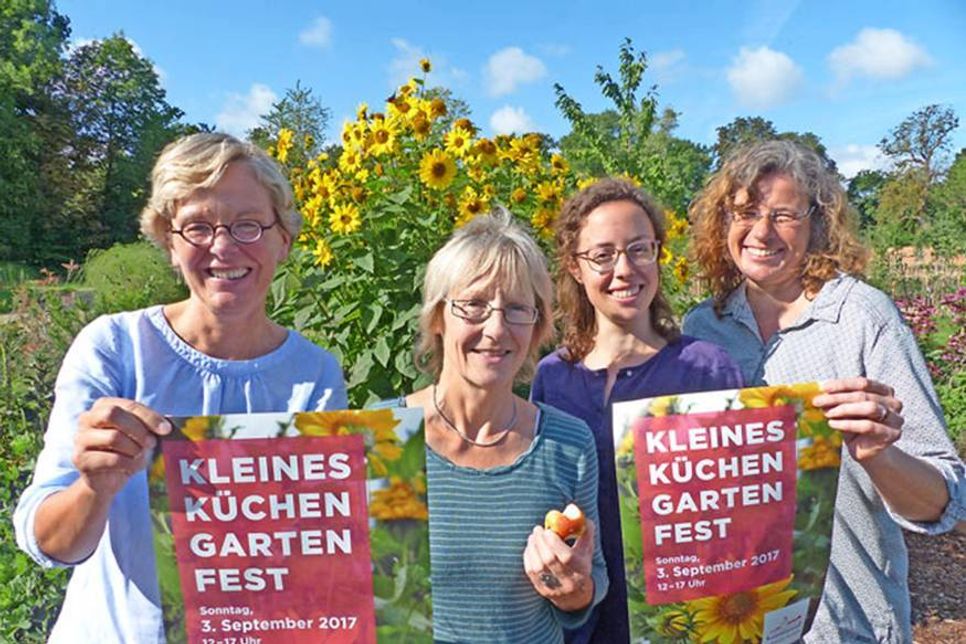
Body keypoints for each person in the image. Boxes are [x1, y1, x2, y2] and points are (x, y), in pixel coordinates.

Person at [14, 132, 348, 643]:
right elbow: (49, 543)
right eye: (197, 227)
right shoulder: (114, 349)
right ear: (169, 244)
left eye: (248, 225)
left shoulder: (314, 375)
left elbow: (316, 560)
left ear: (284, 239)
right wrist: (93, 487)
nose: (223, 246)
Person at [683, 139, 965, 642]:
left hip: (846, 626)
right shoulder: (703, 328)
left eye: (784, 215)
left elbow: (943, 501)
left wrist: (880, 455)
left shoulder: (862, 318)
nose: (762, 232)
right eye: (745, 212)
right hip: (734, 624)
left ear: (818, 223)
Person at [530, 178, 744, 643]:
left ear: (659, 255)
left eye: (639, 249)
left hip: (682, 621)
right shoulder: (553, 377)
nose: (624, 269)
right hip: (580, 619)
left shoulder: (707, 369)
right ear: (575, 267)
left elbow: (739, 511)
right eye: (602, 255)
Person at [384, 210, 607, 643]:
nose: (496, 328)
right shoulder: (385, 436)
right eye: (474, 305)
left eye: (518, 308)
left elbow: (593, 579)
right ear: (437, 316)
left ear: (538, 325)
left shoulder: (567, 443)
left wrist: (577, 591)